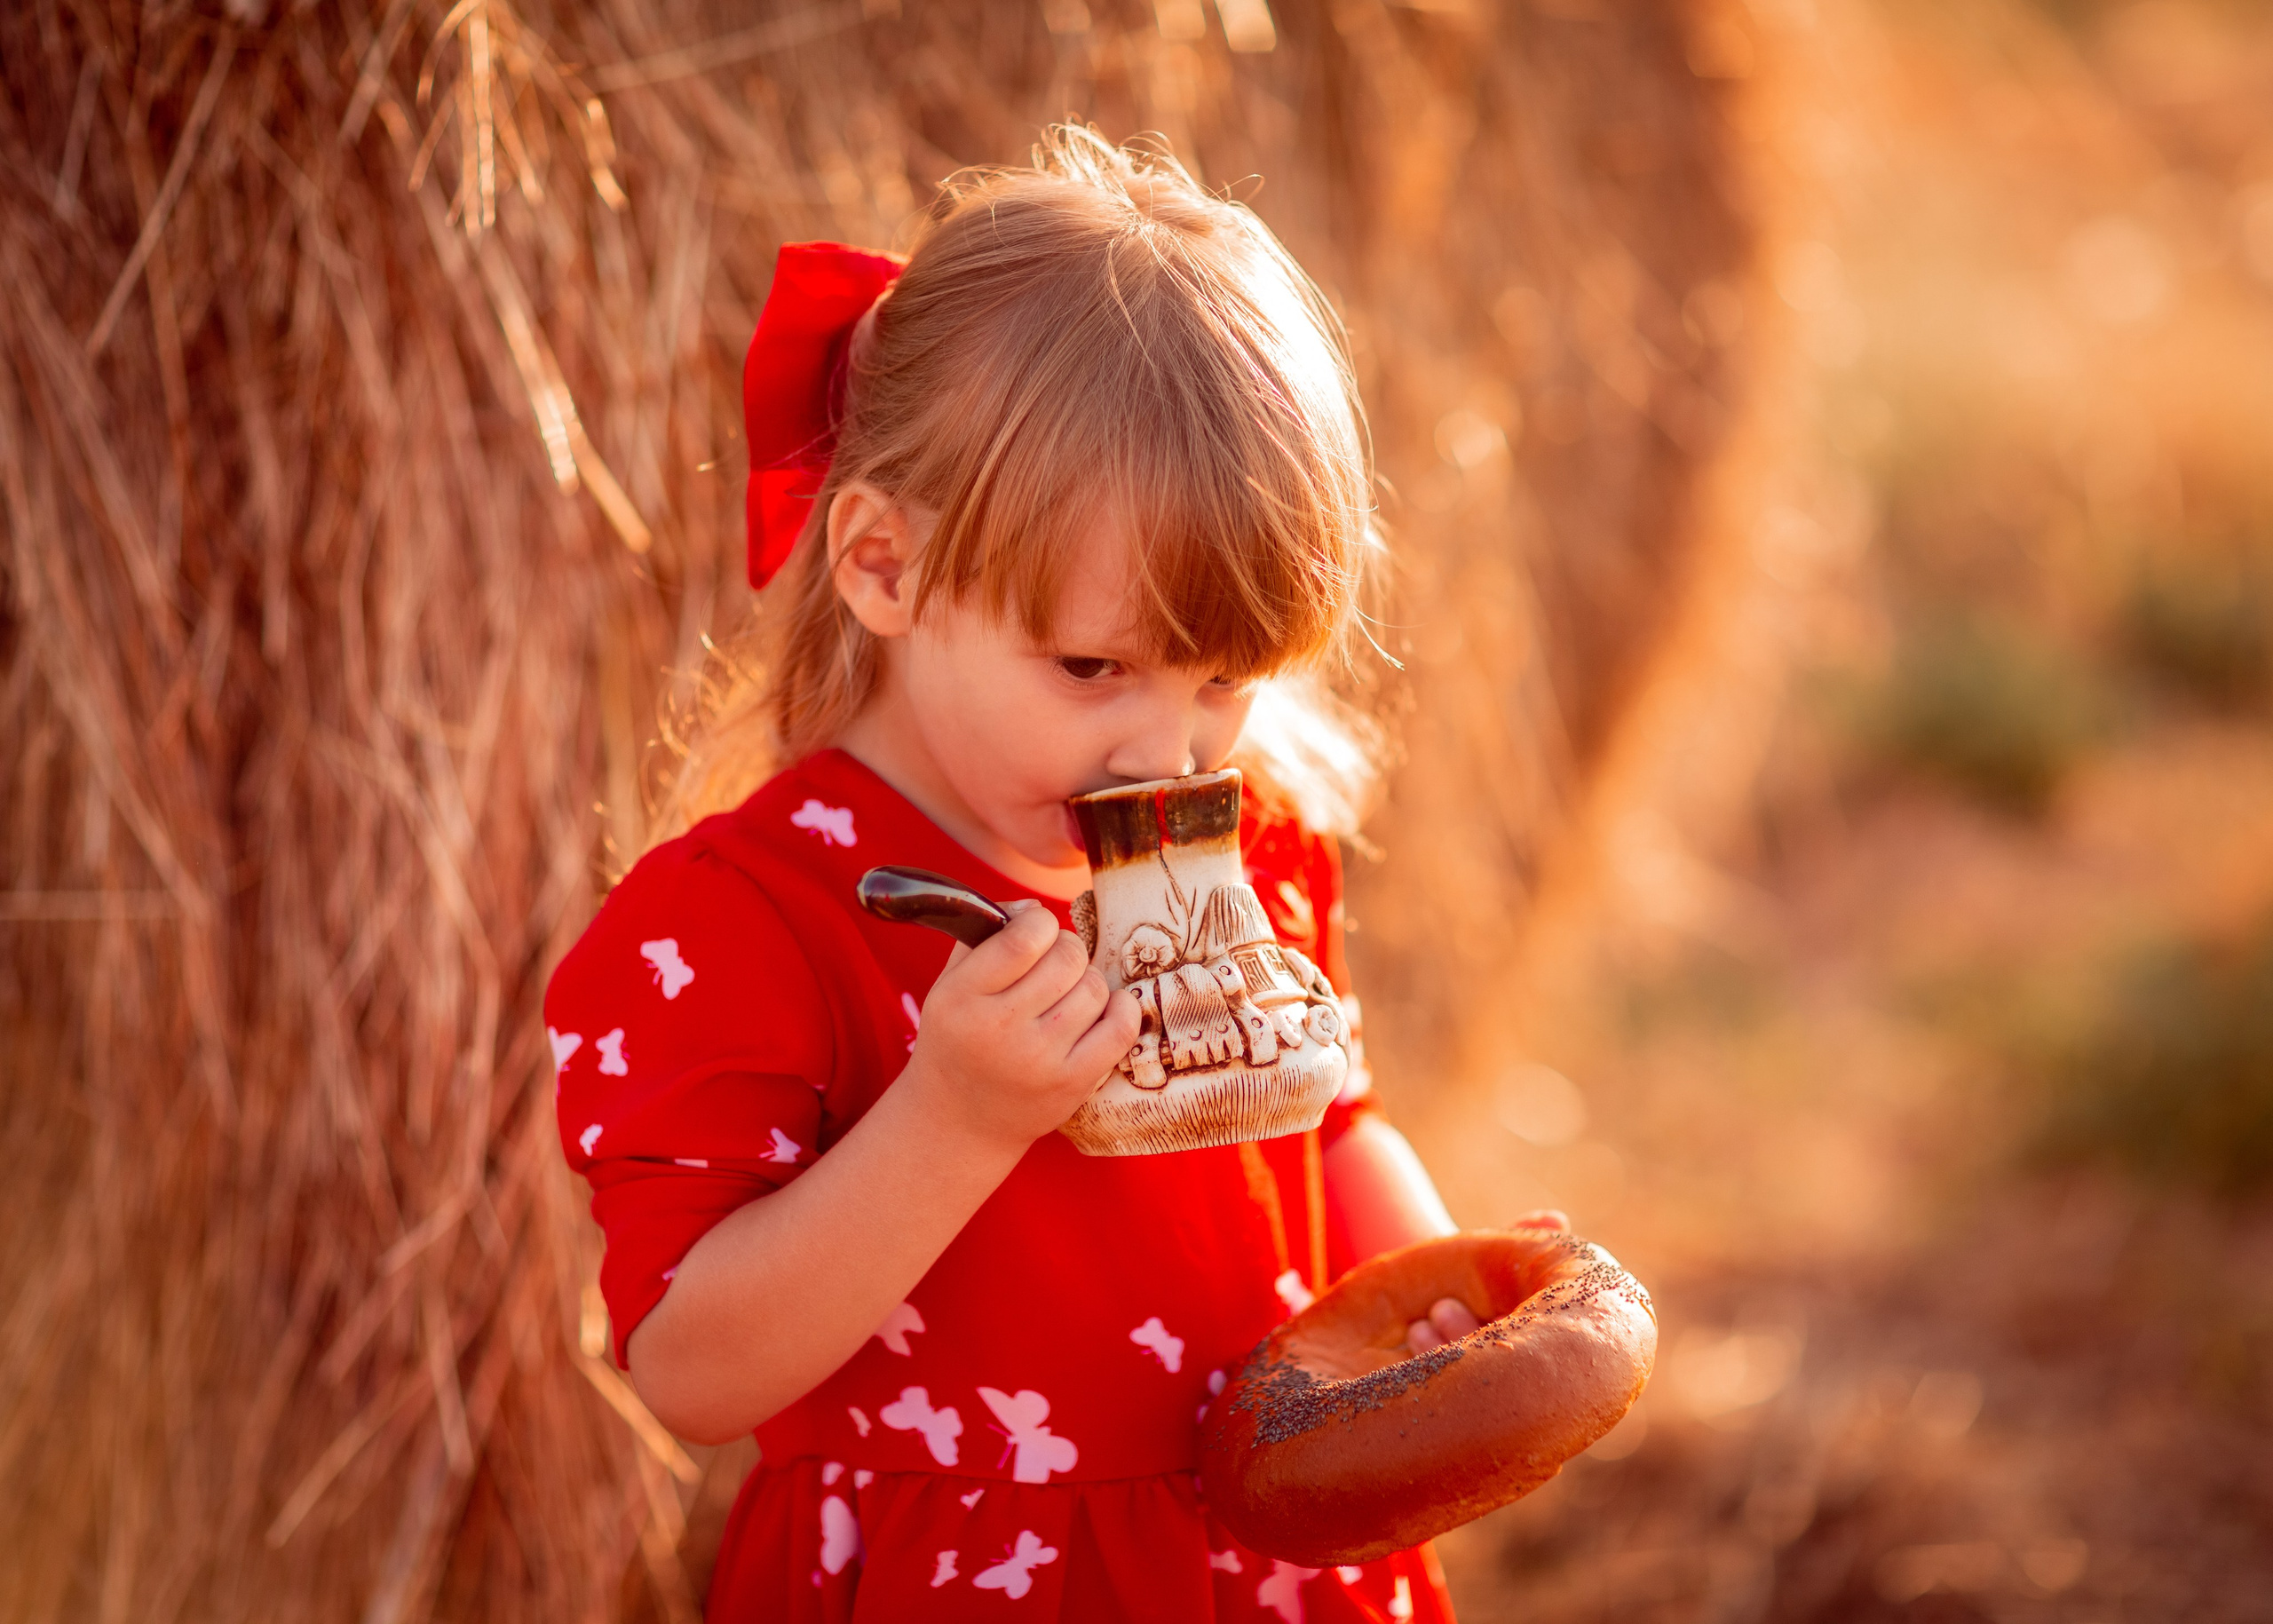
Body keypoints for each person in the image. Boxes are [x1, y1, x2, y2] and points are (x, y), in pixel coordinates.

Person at [546, 127, 1486, 1621]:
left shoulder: (1253, 841)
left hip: (1261, 1565)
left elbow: (1328, 1129)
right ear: (883, 566)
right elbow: (692, 1367)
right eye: (1093, 668)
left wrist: (1440, 1299)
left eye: (1224, 678)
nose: (1167, 751)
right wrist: (955, 1116)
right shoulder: (745, 921)